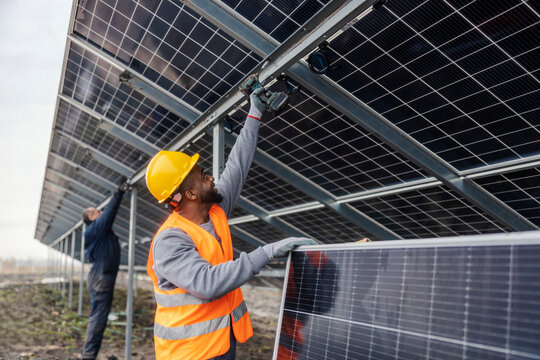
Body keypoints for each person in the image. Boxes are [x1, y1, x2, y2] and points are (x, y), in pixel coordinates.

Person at [145, 87, 317, 360]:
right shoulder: (170, 240)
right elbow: (207, 282)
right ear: (189, 194)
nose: (211, 178)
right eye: (203, 177)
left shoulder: (213, 210)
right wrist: (267, 252)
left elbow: (236, 166)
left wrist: (255, 113)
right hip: (190, 353)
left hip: (220, 341)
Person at [80, 179, 129, 360]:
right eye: (96, 211)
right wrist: (118, 193)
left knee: (98, 316)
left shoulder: (98, 233)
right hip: (101, 278)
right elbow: (109, 215)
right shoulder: (94, 229)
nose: (100, 212)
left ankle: (89, 354)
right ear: (92, 218)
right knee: (98, 318)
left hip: (99, 277)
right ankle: (88, 355)